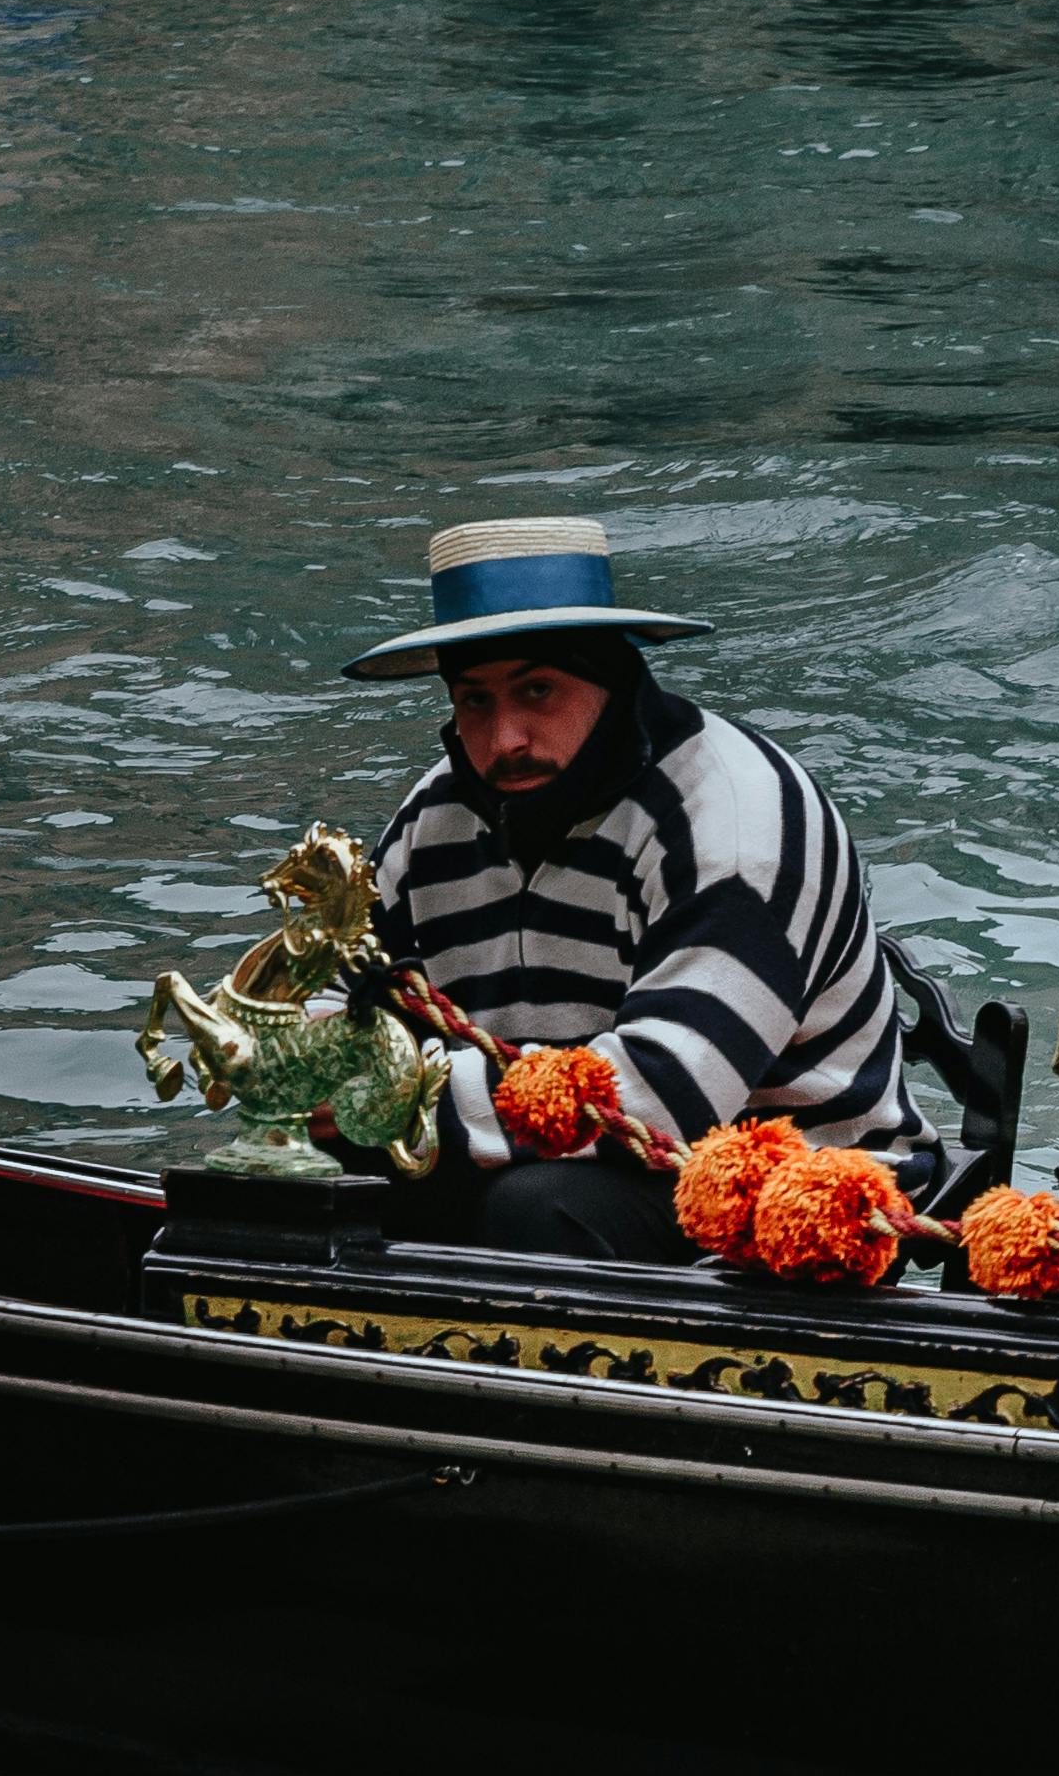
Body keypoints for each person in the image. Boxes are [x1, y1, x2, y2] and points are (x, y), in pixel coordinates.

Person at [346, 515, 929, 1261]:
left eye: (537, 690)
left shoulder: (736, 822)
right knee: (316, 1182)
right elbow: (344, 986)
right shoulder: (435, 818)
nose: (504, 739)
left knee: (539, 1211)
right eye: (475, 700)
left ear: (612, 679)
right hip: (538, 1151)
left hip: (801, 1192)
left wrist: (386, 1098)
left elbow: (666, 1094)